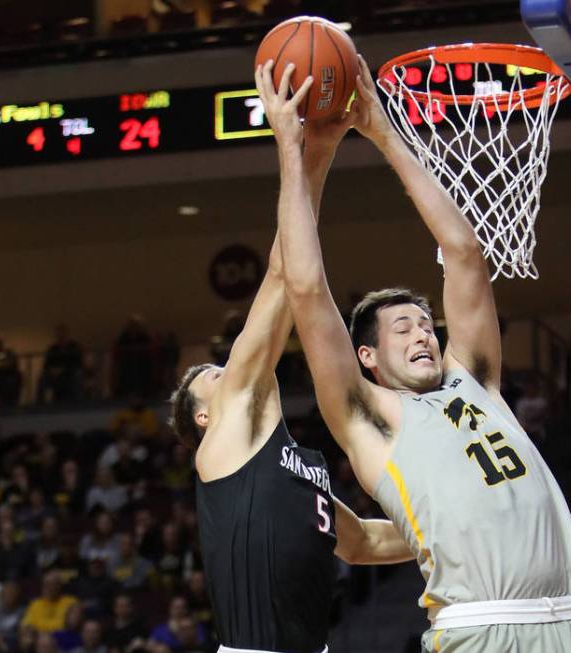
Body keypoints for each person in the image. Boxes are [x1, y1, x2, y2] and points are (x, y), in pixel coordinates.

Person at [269, 57, 571, 650]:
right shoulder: (369, 417)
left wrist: (381, 129)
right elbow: (304, 289)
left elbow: (464, 250)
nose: (422, 334)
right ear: (366, 357)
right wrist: (295, 154)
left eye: (426, 324)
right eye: (402, 329)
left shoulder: (474, 379)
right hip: (480, 628)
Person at [168, 60, 412, 653]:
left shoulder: (302, 466)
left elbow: (364, 545)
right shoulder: (224, 445)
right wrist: (307, 149)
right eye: (216, 377)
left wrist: (447, 530)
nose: (232, 370)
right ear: (206, 421)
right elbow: (285, 275)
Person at [38, 325, 84, 404]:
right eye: (58, 335)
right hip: (55, 376)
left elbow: (77, 364)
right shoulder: (52, 349)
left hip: (70, 375)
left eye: (62, 334)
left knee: (77, 378)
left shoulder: (74, 348)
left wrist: (63, 370)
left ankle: (78, 403)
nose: (61, 337)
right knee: (43, 379)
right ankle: (39, 404)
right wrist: (52, 371)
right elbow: (46, 365)